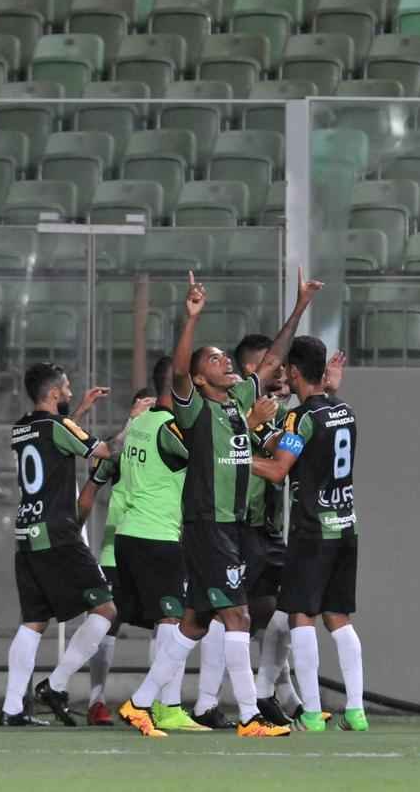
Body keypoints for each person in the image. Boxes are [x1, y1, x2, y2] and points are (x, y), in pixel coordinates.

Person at [118, 269, 322, 739]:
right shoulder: (194, 409)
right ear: (198, 377)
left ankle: (139, 703)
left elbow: (272, 359)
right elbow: (178, 371)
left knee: (194, 623)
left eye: (225, 357)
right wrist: (191, 317)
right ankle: (249, 716)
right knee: (239, 616)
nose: (226, 361)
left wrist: (300, 305)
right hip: (207, 523)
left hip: (228, 525)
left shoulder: (237, 401)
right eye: (214, 359)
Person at [0, 364, 146, 728]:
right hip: (58, 534)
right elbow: (107, 451)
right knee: (106, 610)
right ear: (52, 393)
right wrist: (133, 420)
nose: (69, 391)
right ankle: (56, 684)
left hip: (27, 532)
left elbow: (52, 444)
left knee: (33, 621)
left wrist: (78, 412)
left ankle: (12, 707)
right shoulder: (59, 426)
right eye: (65, 388)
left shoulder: (22, 428)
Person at [252, 337, 367, 732]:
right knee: (338, 617)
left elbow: (277, 470)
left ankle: (313, 714)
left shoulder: (298, 418)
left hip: (312, 530)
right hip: (346, 526)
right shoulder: (345, 411)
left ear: (295, 372)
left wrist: (234, 454)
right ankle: (356, 711)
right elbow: (301, 443)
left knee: (301, 615)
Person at [91, 358, 207, 732]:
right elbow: (207, 459)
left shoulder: (139, 422)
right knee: (173, 620)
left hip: (129, 535)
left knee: (150, 620)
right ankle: (162, 705)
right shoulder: (172, 429)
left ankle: (149, 703)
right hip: (157, 535)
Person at [228, 333, 303, 727]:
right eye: (271, 366)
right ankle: (189, 701)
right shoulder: (229, 408)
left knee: (277, 611)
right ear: (250, 370)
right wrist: (251, 427)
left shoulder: (278, 412)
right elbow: (217, 454)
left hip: (267, 528)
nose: (279, 373)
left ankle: (275, 695)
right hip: (237, 526)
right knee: (218, 616)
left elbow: (293, 436)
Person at [76, 388, 150, 727]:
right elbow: (90, 486)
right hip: (116, 549)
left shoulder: (174, 443)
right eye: (143, 406)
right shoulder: (119, 451)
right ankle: (97, 700)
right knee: (107, 621)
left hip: (159, 544)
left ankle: (158, 702)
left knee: (168, 622)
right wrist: (74, 532)